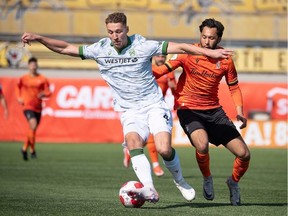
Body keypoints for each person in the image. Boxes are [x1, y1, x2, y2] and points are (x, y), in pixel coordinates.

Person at [21, 12, 232, 203]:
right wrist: (39, 38)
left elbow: (181, 47)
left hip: (153, 104)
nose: (115, 36)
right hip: (129, 110)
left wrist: (210, 54)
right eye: (111, 32)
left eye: (119, 31)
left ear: (127, 30)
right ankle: (149, 188)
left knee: (164, 149)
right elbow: (66, 48)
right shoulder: (100, 49)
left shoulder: (143, 45)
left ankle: (180, 181)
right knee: (133, 143)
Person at [153, 18, 250, 206]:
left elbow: (234, 87)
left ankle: (233, 182)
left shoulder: (225, 60)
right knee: (202, 144)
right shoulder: (187, 53)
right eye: (204, 36)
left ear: (219, 38)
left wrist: (240, 111)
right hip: (188, 108)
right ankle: (207, 178)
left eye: (211, 38)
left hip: (214, 111)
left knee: (244, 154)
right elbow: (162, 70)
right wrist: (140, 68)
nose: (207, 41)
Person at [123, 54, 177, 177]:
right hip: (142, 107)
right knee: (146, 137)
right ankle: (154, 164)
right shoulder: (147, 69)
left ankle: (133, 152)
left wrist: (174, 88)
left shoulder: (169, 73)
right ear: (153, 57)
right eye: (158, 56)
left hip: (156, 108)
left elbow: (175, 91)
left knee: (152, 136)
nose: (161, 59)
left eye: (163, 56)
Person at [16, 57, 51, 161]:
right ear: (28, 66)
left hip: (38, 107)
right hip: (27, 106)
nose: (33, 67)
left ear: (37, 66)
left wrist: (44, 93)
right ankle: (32, 150)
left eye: (35, 65)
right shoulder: (23, 78)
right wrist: (19, 97)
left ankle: (24, 148)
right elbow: (17, 87)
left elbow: (49, 92)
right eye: (31, 65)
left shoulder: (42, 78)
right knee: (33, 124)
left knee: (33, 129)